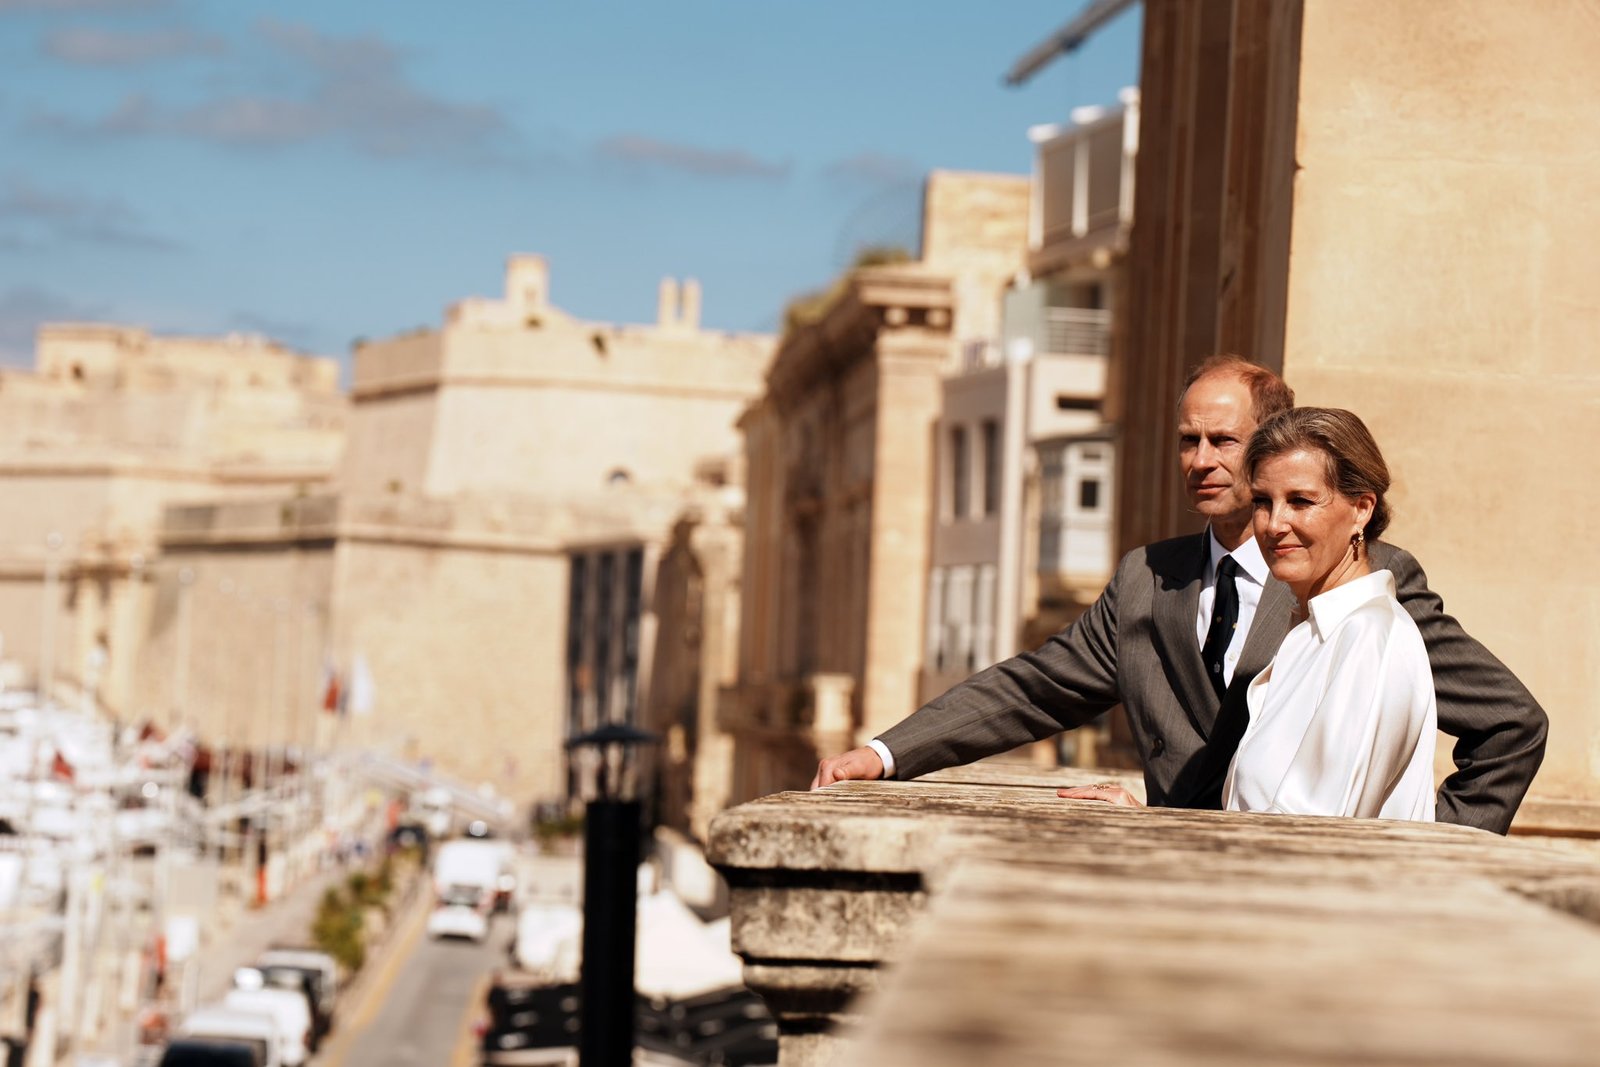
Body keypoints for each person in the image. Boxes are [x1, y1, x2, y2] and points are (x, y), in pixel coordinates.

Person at [811, 355, 1545, 834]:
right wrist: (887, 752)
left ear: (1269, 443)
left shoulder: (1365, 591)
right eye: (1187, 440)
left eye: (1223, 441)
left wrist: (1437, 849)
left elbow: (1510, 724)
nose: (1199, 461)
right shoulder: (1146, 578)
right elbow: (1035, 688)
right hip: (1181, 893)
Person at [1218, 407, 1434, 818]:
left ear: (1361, 509)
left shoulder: (1370, 638)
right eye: (1263, 501)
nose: (1274, 524)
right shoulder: (1313, 632)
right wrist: (1151, 820)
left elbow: (1309, 833)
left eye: (1301, 501)